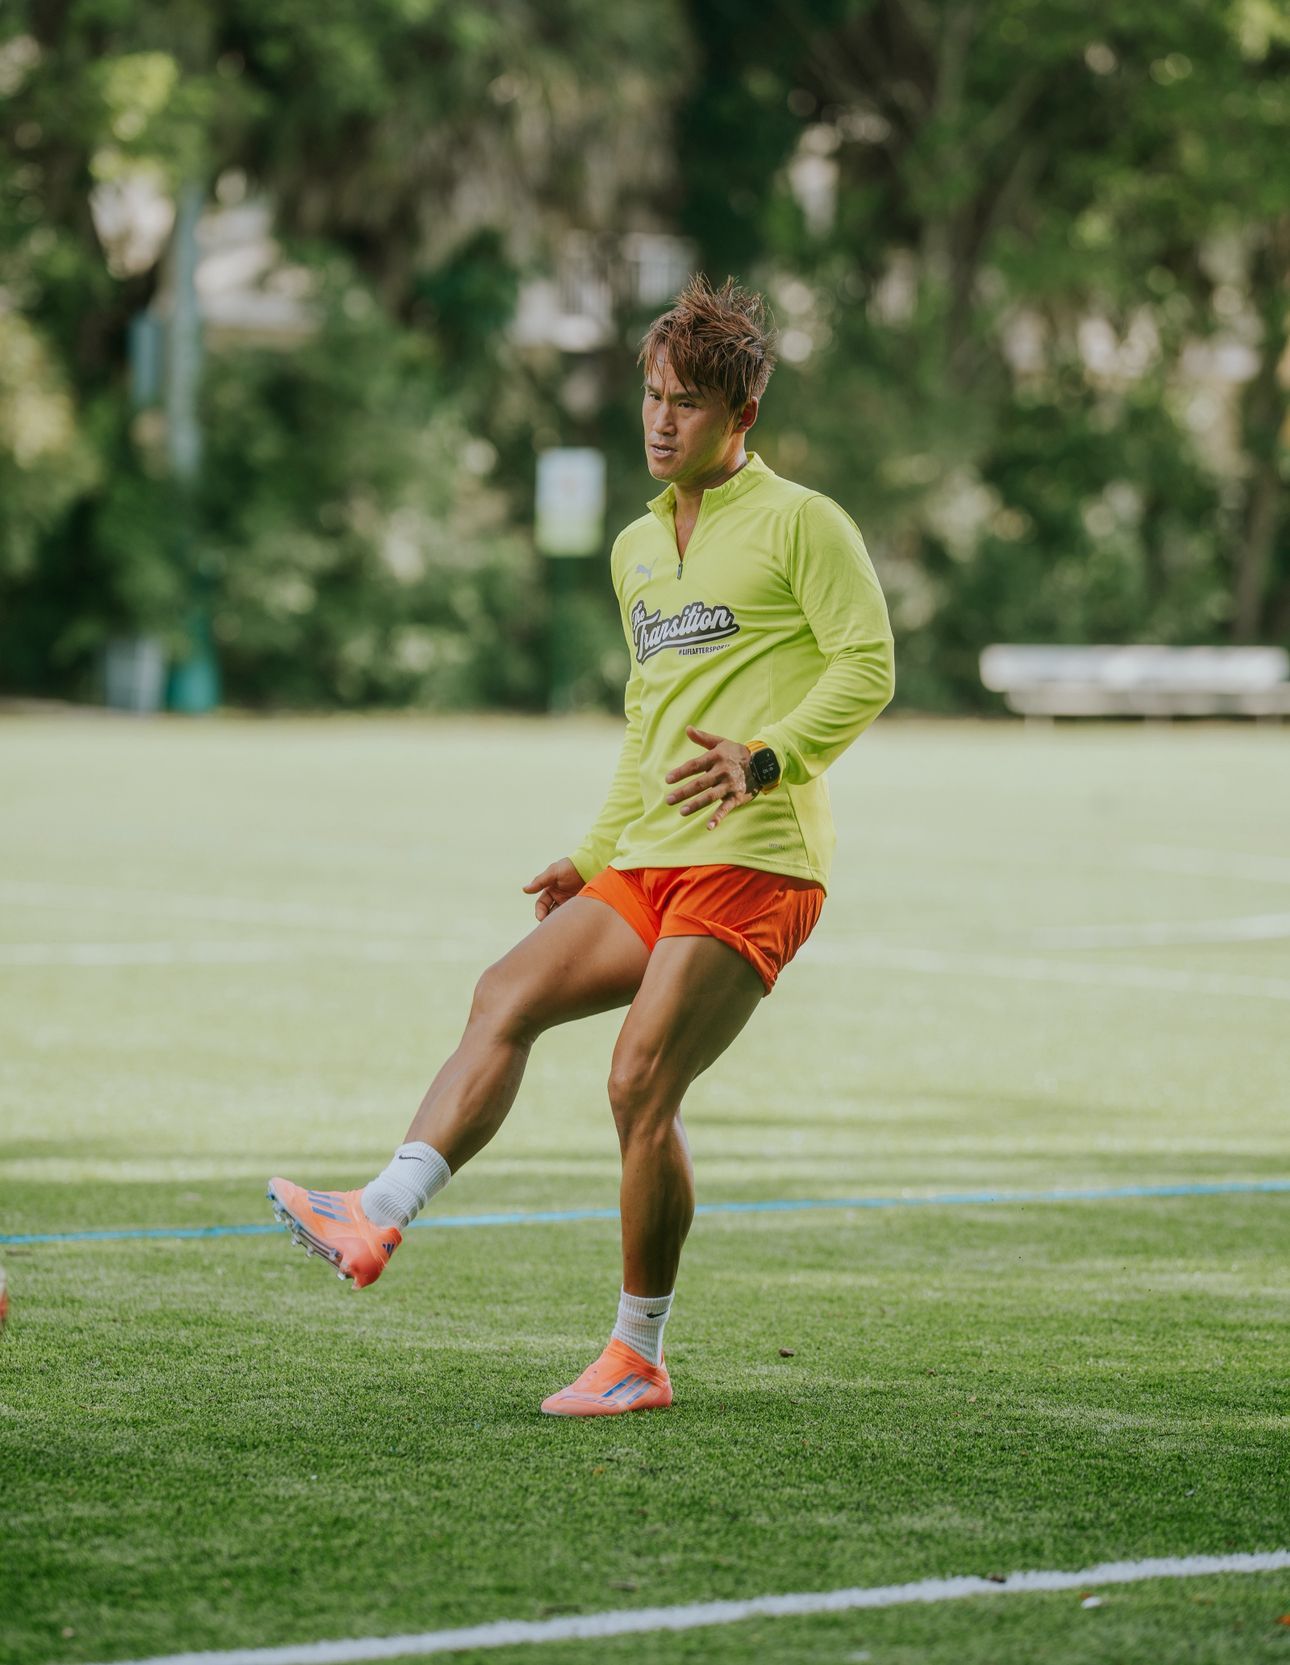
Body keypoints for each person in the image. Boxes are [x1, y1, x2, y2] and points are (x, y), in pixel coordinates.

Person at [268, 274, 895, 1416]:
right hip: (651, 857)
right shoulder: (635, 549)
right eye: (652, 397)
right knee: (504, 989)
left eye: (688, 405)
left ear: (741, 416)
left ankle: (637, 1356)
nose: (661, 422)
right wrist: (595, 851)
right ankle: (376, 1213)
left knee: (638, 1082)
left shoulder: (806, 522)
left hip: (759, 856)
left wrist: (765, 757)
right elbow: (646, 717)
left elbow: (868, 668)